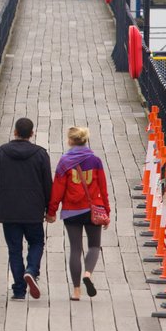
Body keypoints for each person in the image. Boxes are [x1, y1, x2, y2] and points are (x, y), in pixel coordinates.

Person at [0, 117, 53, 300]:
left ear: (15, 132)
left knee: (14, 250)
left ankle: (19, 290)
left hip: (8, 211)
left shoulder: (1, 153)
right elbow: (48, 184)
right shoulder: (40, 154)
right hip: (33, 210)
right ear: (32, 134)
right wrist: (50, 209)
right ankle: (31, 269)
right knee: (37, 243)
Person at [48, 126, 111, 300]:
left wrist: (51, 211)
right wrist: (107, 211)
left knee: (75, 249)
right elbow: (103, 188)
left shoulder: (64, 162)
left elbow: (58, 189)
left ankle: (76, 291)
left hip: (71, 211)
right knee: (94, 246)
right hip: (93, 209)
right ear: (85, 140)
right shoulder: (95, 161)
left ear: (70, 141)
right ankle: (88, 274)